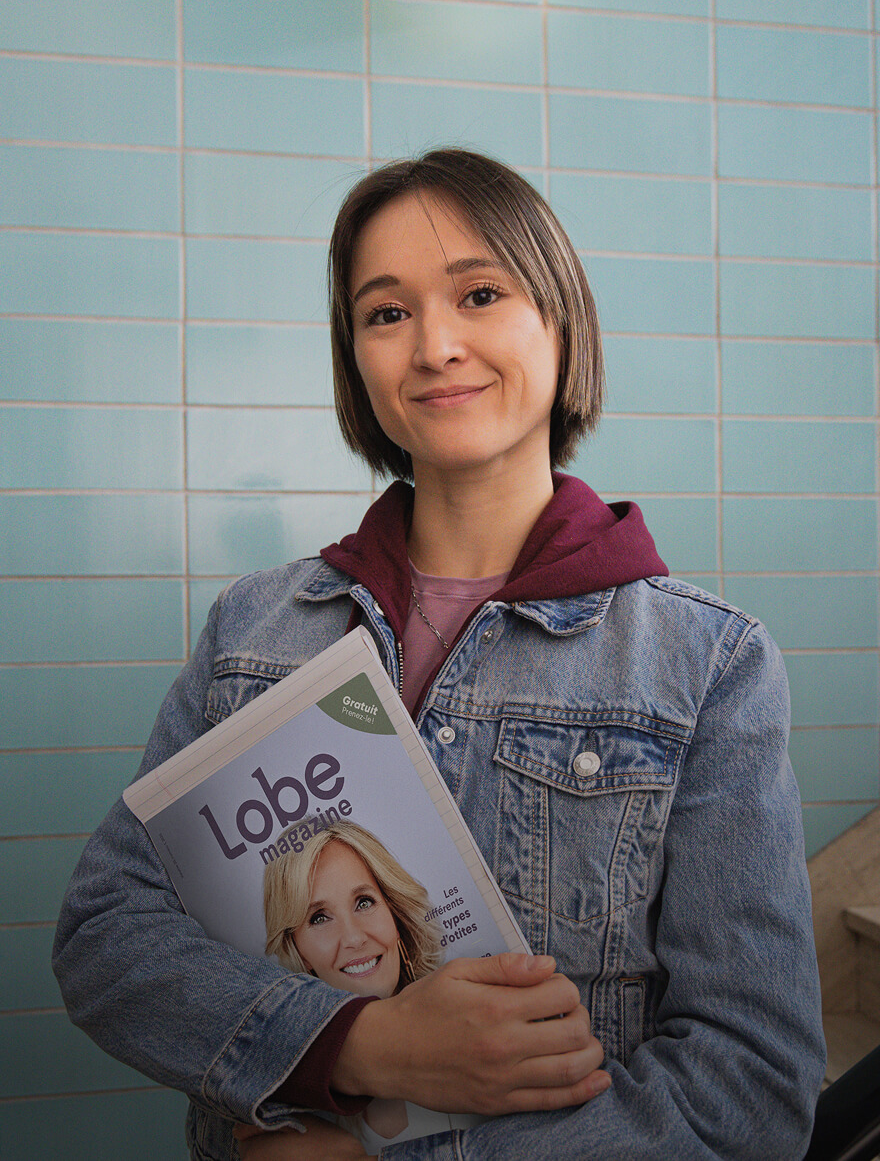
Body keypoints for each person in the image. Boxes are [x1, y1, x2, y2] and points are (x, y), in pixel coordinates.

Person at [53, 147, 825, 1161]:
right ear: (355, 359)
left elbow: (749, 1088)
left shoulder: (707, 663)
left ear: (559, 322)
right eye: (386, 312)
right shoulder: (254, 626)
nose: (434, 345)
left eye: (479, 292)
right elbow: (107, 933)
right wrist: (357, 1046)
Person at [260, 820, 480, 1150]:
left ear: (394, 912)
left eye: (364, 902)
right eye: (319, 917)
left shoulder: (474, 1021)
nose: (353, 938)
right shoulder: (288, 1111)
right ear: (299, 952)